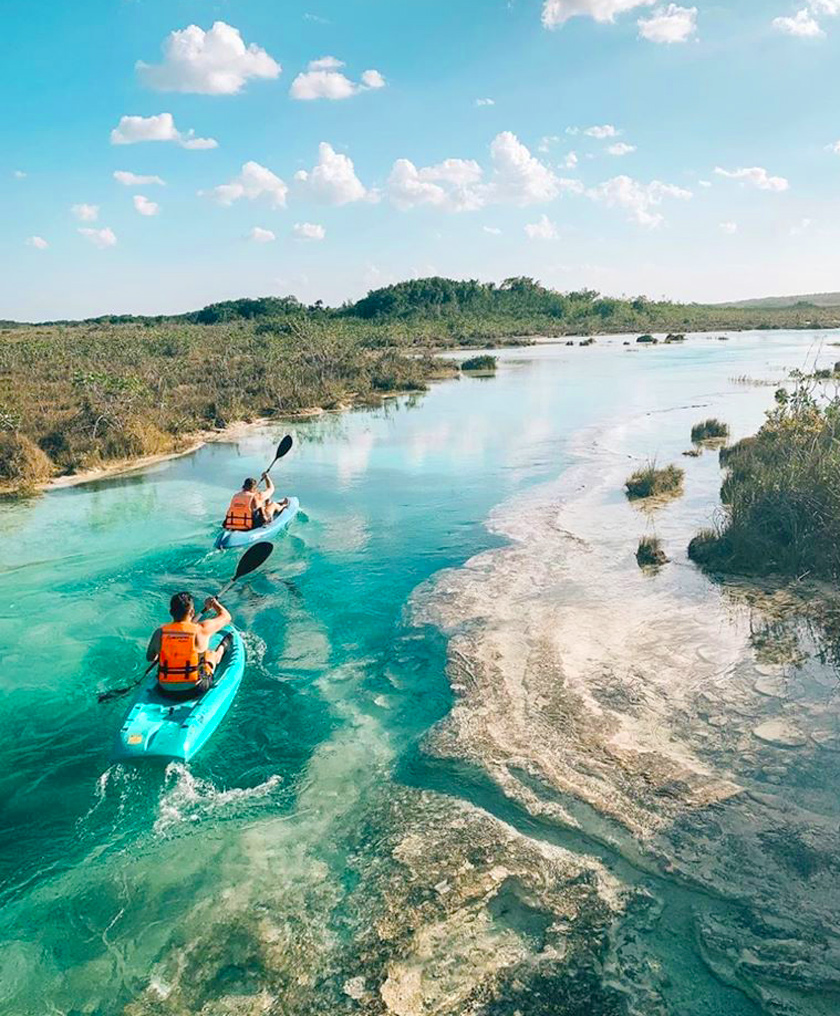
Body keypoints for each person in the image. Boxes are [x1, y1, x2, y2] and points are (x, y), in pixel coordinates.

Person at [146, 592, 232, 698]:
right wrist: (214, 604)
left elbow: (150, 658)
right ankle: (223, 647)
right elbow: (226, 617)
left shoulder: (160, 632)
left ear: (171, 612)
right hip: (195, 688)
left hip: (164, 690)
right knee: (210, 655)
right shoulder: (201, 629)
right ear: (192, 612)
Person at [223, 474, 289, 531]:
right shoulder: (257, 496)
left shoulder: (236, 496)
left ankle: (267, 503)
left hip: (232, 525)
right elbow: (271, 489)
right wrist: (266, 477)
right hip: (251, 526)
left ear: (244, 486)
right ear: (254, 488)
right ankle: (283, 506)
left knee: (260, 507)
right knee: (273, 504)